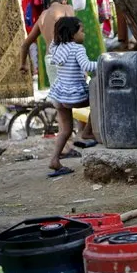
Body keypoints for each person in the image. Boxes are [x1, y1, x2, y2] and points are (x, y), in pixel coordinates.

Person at [19, 0, 97, 147]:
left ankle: (66, 147)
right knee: (86, 95)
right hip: (68, 59)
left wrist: (23, 64)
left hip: (51, 59)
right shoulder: (66, 8)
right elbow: (72, 29)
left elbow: (26, 43)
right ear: (64, 1)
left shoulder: (42, 17)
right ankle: (84, 134)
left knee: (62, 104)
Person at [46, 17, 98, 177]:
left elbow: (54, 43)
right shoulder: (77, 48)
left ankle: (54, 160)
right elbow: (87, 66)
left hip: (59, 94)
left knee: (65, 130)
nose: (84, 34)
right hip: (74, 94)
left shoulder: (55, 47)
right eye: (81, 31)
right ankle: (87, 132)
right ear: (72, 33)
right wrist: (105, 61)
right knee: (99, 101)